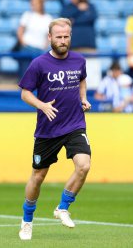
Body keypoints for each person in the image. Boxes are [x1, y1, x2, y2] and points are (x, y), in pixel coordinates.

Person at [18, 18, 91, 241]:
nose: (62, 40)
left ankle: (62, 207)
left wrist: (84, 98)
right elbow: (25, 92)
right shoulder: (39, 64)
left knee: (84, 165)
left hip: (74, 124)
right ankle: (27, 220)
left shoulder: (79, 60)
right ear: (50, 38)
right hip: (48, 130)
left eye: (66, 36)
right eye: (58, 37)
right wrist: (41, 105)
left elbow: (82, 80)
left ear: (70, 36)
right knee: (38, 177)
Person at [60, 0, 101, 89]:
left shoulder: (91, 6)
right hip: (73, 49)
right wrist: (79, 10)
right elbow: (65, 21)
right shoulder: (67, 7)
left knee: (92, 78)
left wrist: (74, 20)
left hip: (90, 48)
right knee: (72, 80)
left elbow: (92, 17)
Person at [17, 0, 53, 78]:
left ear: (41, 4)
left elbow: (49, 35)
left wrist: (45, 45)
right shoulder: (27, 15)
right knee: (25, 76)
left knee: (38, 77)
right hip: (27, 48)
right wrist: (23, 42)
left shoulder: (48, 18)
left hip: (40, 51)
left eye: (35, 3)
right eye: (32, 3)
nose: (33, 5)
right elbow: (20, 31)